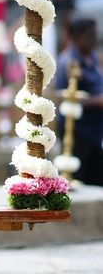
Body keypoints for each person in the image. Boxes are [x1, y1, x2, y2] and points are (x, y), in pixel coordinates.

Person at [55, 17, 103, 185]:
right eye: (90, 35)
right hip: (77, 133)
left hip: (95, 132)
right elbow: (60, 97)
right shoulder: (67, 61)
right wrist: (96, 101)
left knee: (96, 180)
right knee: (76, 181)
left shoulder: (92, 58)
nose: (95, 39)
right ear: (77, 37)